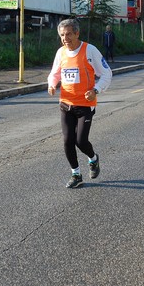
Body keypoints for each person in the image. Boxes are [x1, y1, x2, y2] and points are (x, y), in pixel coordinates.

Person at [47, 19, 112, 188]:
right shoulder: (60, 52)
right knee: (68, 140)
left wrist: (96, 90)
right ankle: (76, 174)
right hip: (66, 103)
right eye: (62, 35)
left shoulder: (89, 50)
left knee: (81, 141)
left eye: (69, 34)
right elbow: (55, 73)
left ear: (77, 33)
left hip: (85, 104)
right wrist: (52, 84)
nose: (65, 38)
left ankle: (93, 159)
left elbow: (106, 73)